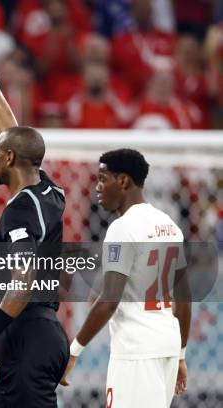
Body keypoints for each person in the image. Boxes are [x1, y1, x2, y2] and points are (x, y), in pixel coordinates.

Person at [0, 38, 69, 407]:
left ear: (8, 158)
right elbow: (10, 134)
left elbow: (23, 282)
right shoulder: (49, 192)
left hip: (29, 337)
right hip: (39, 337)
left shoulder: (22, 209)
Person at [60, 149, 191, 407]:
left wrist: (73, 351)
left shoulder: (123, 228)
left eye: (102, 178)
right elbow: (184, 300)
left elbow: (109, 301)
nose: (97, 187)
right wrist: (180, 355)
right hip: (167, 346)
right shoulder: (169, 225)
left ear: (123, 181)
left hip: (136, 352)